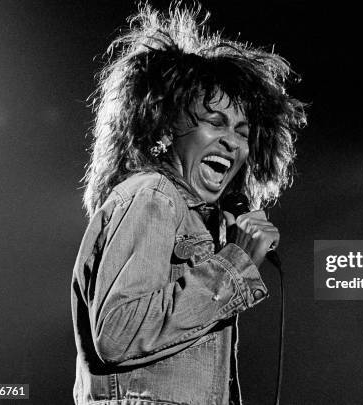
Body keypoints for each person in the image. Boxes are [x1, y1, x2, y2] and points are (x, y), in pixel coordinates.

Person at [70, 3, 306, 405]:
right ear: (164, 127)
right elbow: (117, 333)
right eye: (214, 122)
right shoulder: (152, 195)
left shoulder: (193, 217)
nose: (232, 142)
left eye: (242, 131)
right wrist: (233, 265)